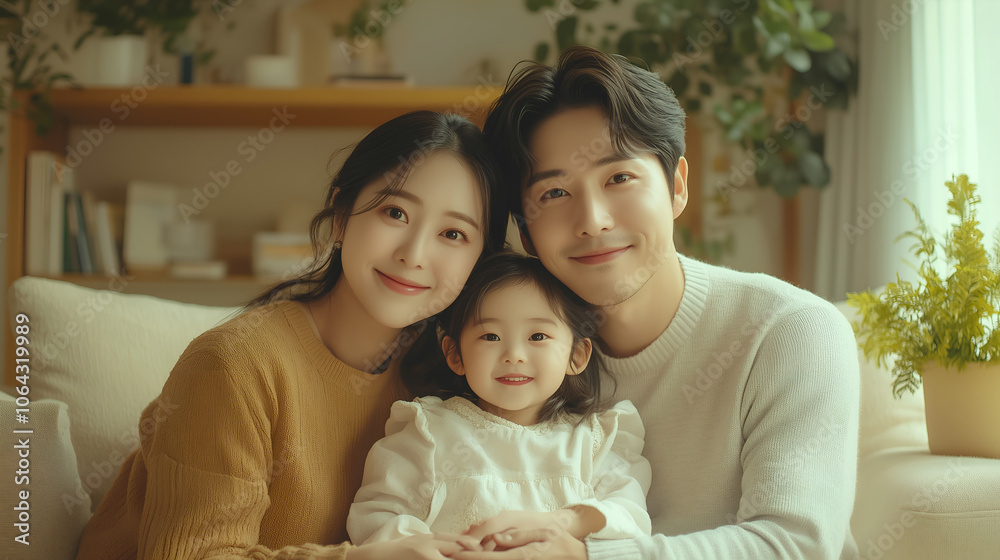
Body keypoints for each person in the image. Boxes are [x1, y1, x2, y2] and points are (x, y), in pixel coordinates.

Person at [457, 46, 861, 560]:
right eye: (554, 194)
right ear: (527, 233)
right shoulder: (508, 350)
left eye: (618, 178)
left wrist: (584, 556)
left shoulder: (793, 332)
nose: (593, 220)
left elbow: (794, 545)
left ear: (676, 186)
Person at [75, 110, 511, 560]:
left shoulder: (454, 379)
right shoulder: (233, 365)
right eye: (395, 212)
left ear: (480, 261)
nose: (415, 254)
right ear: (341, 218)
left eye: (453, 233)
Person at [347, 252, 652, 549]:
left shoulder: (594, 442)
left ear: (576, 355)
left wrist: (568, 520)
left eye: (537, 336)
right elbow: (376, 518)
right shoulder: (428, 433)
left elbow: (631, 520)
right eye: (491, 337)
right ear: (455, 354)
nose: (514, 355)